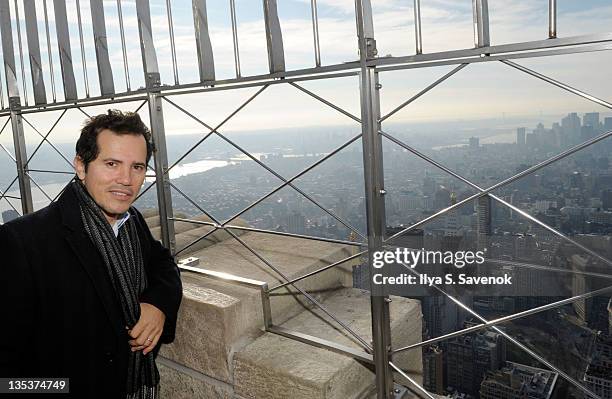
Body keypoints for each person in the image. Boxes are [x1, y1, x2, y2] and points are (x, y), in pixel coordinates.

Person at [0, 110, 183, 398]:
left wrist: (157, 305)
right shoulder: (22, 241)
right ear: (81, 166)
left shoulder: (131, 223)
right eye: (111, 164)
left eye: (137, 167)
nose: (126, 179)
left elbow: (163, 264)